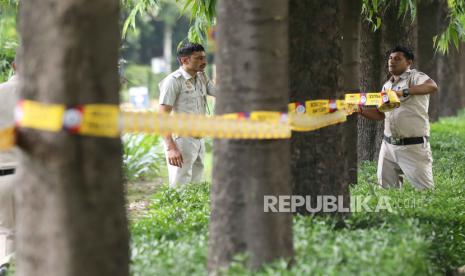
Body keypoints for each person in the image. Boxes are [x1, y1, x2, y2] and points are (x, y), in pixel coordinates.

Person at [359, 46, 438, 190]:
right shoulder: (386, 86)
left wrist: (403, 92)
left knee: (425, 192)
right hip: (388, 147)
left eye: (397, 59)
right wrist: (360, 110)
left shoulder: (415, 77)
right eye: (390, 58)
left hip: (413, 146)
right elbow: (380, 114)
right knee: (387, 193)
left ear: (409, 62)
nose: (392, 61)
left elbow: (432, 86)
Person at [158, 42, 215, 188]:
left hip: (199, 139)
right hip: (181, 141)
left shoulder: (201, 77)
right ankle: (174, 212)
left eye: (204, 57)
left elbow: (219, 92)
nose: (204, 62)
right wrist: (171, 148)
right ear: (185, 60)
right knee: (179, 187)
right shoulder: (173, 81)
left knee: (195, 188)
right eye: (199, 58)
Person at [0, 58, 19, 275]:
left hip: (3, 175)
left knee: (5, 231)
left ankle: (4, 264)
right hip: (34, 178)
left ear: (14, 65)